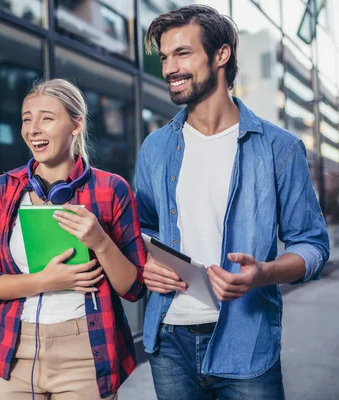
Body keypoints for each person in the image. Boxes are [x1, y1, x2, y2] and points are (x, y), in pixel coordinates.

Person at [136, 5, 330, 400]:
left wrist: (264, 273)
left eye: (183, 53)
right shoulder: (155, 147)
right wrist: (146, 264)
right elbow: (142, 228)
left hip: (246, 342)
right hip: (170, 341)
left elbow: (313, 245)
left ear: (221, 55)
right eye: (165, 57)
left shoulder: (280, 149)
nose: (169, 68)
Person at [0, 78, 146, 399]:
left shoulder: (112, 189)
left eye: (47, 118)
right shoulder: (5, 188)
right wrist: (45, 281)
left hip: (86, 352)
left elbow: (135, 288)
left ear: (76, 125)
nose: (33, 129)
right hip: (14, 350)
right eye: (27, 118)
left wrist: (100, 241)